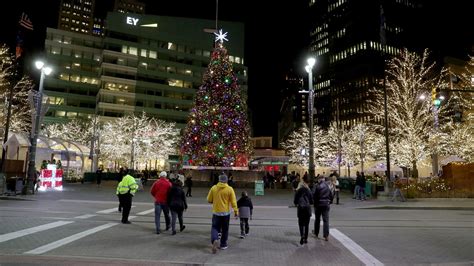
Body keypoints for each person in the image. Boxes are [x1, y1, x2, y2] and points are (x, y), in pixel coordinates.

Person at [207, 174, 238, 254]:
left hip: (216, 212)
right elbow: (233, 201)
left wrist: (214, 201)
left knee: (214, 227)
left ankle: (215, 239)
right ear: (226, 180)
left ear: (219, 180)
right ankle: (223, 244)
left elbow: (209, 199)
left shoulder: (213, 188)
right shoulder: (230, 189)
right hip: (226, 213)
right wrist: (235, 211)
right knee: (225, 229)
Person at [313, 175, 333, 241]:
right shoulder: (328, 186)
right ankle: (326, 236)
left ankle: (316, 233)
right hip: (326, 204)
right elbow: (331, 195)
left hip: (318, 204)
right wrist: (330, 202)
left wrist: (315, 204)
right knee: (326, 220)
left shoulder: (317, 186)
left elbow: (315, 196)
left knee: (317, 219)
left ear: (319, 179)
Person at [294, 174, 313, 245]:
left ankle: (302, 235)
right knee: (307, 224)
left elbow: (295, 201)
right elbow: (311, 201)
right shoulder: (309, 190)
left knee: (301, 223)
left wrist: (297, 203)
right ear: (308, 182)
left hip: (301, 208)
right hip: (307, 209)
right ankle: (306, 238)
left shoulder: (299, 190)